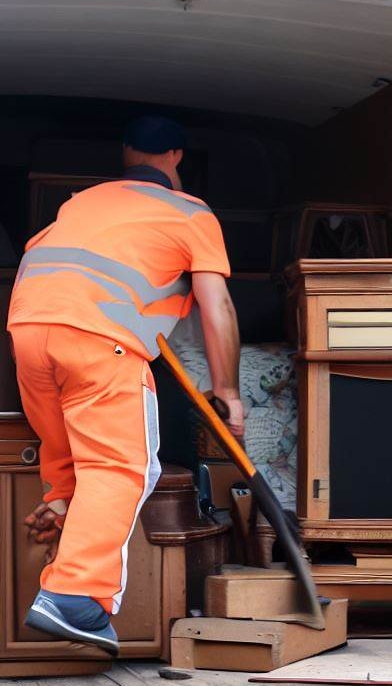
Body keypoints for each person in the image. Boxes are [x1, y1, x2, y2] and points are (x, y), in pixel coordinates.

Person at [7, 115, 243, 655]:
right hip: (98, 340)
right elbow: (217, 306)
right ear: (177, 157)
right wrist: (227, 391)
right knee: (124, 466)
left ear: (125, 153)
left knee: (68, 456)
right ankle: (73, 595)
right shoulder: (191, 212)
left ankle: (65, 508)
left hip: (27, 331)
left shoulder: (82, 203)